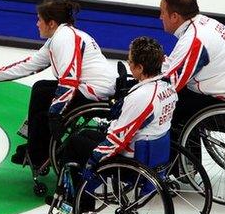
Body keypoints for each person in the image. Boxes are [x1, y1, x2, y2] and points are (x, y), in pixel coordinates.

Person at [0, 0, 118, 168]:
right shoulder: (61, 36)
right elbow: (30, 64)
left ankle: (38, 154)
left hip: (95, 91)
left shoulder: (64, 39)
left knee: (43, 106)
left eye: (40, 19)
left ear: (51, 23)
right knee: (41, 87)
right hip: (90, 86)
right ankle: (36, 146)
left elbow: (69, 80)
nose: (37, 24)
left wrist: (55, 113)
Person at [60, 37, 178, 190]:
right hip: (156, 149)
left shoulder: (142, 96)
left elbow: (119, 139)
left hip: (132, 160)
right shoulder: (168, 88)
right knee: (86, 134)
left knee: (74, 143)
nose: (128, 64)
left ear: (140, 68)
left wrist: (95, 158)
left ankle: (76, 199)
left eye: (130, 61)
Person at [159, 0, 225, 131]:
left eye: (162, 12)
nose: (160, 17)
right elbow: (179, 64)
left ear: (175, 16)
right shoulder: (205, 23)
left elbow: (172, 83)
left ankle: (179, 153)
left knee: (168, 106)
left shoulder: (195, 39)